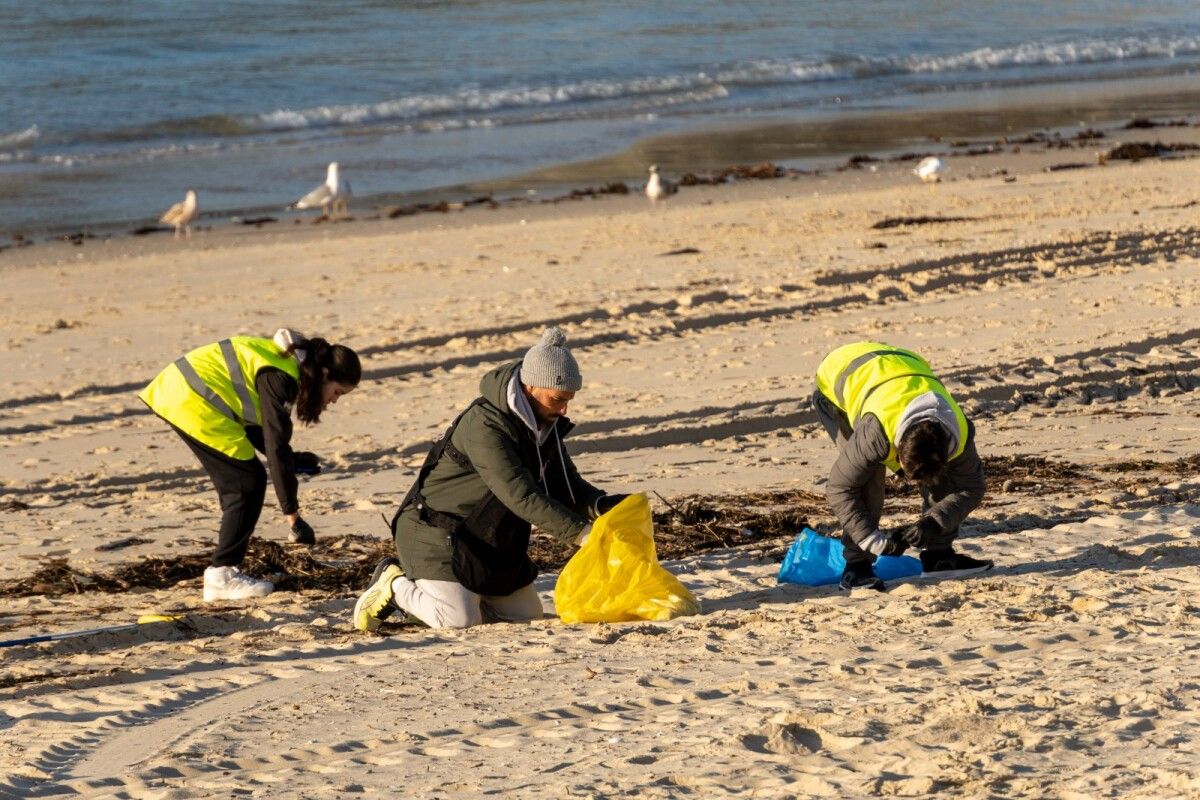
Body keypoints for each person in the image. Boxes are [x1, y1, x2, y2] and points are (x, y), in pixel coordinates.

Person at [353, 327, 626, 631]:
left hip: (490, 540)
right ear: (531, 387)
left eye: (569, 400)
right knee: (459, 620)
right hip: (437, 534)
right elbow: (518, 494)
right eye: (558, 399)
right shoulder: (485, 425)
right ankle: (393, 584)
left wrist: (601, 505)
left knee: (527, 618)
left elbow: (565, 484)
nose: (564, 409)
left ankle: (443, 598)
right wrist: (583, 535)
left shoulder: (543, 422)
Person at [140, 329, 361, 601]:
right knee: (246, 484)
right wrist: (293, 517)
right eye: (337, 392)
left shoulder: (288, 365)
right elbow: (275, 444)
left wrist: (291, 461)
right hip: (191, 398)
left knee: (244, 482)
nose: (334, 400)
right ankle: (220, 576)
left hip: (182, 392)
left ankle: (224, 569)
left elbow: (266, 437)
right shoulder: (282, 377)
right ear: (325, 374)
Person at [812, 342, 991, 592]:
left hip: (899, 366)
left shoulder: (959, 432)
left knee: (945, 476)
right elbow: (840, 488)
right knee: (866, 477)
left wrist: (933, 524)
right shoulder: (877, 433)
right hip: (837, 380)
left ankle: (939, 557)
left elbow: (971, 487)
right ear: (897, 450)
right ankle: (857, 568)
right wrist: (875, 543)